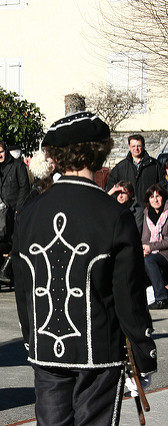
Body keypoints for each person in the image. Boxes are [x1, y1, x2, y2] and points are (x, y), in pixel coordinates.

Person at [12, 112, 157, 425]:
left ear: (55, 156)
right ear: (100, 151)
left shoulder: (29, 213)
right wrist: (144, 352)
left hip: (46, 347)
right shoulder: (113, 215)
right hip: (99, 351)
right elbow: (128, 294)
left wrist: (30, 338)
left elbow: (23, 287)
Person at [105, 134, 164, 203]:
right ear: (129, 146)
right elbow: (110, 187)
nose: (136, 149)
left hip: (148, 208)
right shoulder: (120, 167)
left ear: (143, 146)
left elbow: (163, 186)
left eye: (139, 146)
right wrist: (118, 200)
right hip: (127, 208)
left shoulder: (155, 165)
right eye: (133, 146)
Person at [141, 183, 168, 309]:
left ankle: (162, 298)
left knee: (149, 260)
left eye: (158, 196)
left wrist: (150, 248)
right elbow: (145, 237)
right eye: (152, 197)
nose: (155, 199)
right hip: (152, 253)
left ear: (163, 197)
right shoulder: (147, 213)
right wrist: (143, 248)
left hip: (165, 254)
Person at [0, 141, 30, 212]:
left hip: (15, 208)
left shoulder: (18, 165)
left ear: (6, 151)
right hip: (1, 208)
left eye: (1, 152)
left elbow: (24, 187)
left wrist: (19, 208)